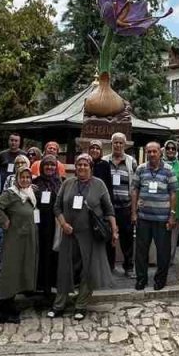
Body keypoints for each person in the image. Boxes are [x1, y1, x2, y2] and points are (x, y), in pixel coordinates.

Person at [52, 154, 117, 320]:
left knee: (88, 270)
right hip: (69, 233)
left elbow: (109, 210)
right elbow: (57, 207)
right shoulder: (67, 183)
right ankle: (59, 304)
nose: (81, 167)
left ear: (90, 167)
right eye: (79, 165)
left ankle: (80, 305)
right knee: (64, 269)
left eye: (85, 165)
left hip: (90, 235)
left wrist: (115, 231)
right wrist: (63, 224)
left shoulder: (99, 184)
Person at [0, 162, 39, 324]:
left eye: (27, 177)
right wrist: (5, 221)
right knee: (10, 272)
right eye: (22, 177)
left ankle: (11, 304)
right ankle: (3, 310)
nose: (24, 180)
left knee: (19, 273)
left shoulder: (29, 193)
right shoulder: (11, 193)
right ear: (16, 179)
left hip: (26, 239)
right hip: (14, 239)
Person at [131, 141, 177, 291]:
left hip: (163, 219)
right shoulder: (140, 169)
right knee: (140, 251)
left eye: (154, 151)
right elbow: (135, 190)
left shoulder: (169, 170)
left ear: (160, 152)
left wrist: (172, 215)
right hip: (143, 217)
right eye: (149, 151)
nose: (151, 154)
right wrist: (133, 213)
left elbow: (173, 193)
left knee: (163, 252)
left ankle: (160, 279)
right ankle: (141, 279)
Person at [33, 154, 64, 303]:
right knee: (41, 254)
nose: (50, 167)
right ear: (41, 166)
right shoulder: (35, 183)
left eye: (52, 165)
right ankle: (40, 286)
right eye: (47, 165)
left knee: (54, 254)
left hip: (56, 225)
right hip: (39, 225)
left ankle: (52, 285)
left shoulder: (60, 183)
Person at [106, 133, 136, 275]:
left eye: (120, 143)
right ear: (111, 144)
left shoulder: (131, 162)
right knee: (108, 238)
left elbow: (136, 185)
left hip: (125, 207)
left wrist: (134, 208)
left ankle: (128, 267)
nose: (117, 145)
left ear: (124, 145)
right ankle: (109, 266)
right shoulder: (105, 161)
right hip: (108, 208)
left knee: (127, 238)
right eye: (115, 143)